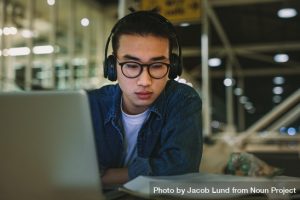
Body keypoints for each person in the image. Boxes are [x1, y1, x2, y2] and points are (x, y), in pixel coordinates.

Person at [88, 10, 202, 186]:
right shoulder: (89, 105)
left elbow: (182, 168)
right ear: (112, 67)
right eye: (132, 66)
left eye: (157, 66)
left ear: (172, 67)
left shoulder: (183, 99)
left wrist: (105, 177)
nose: (144, 81)